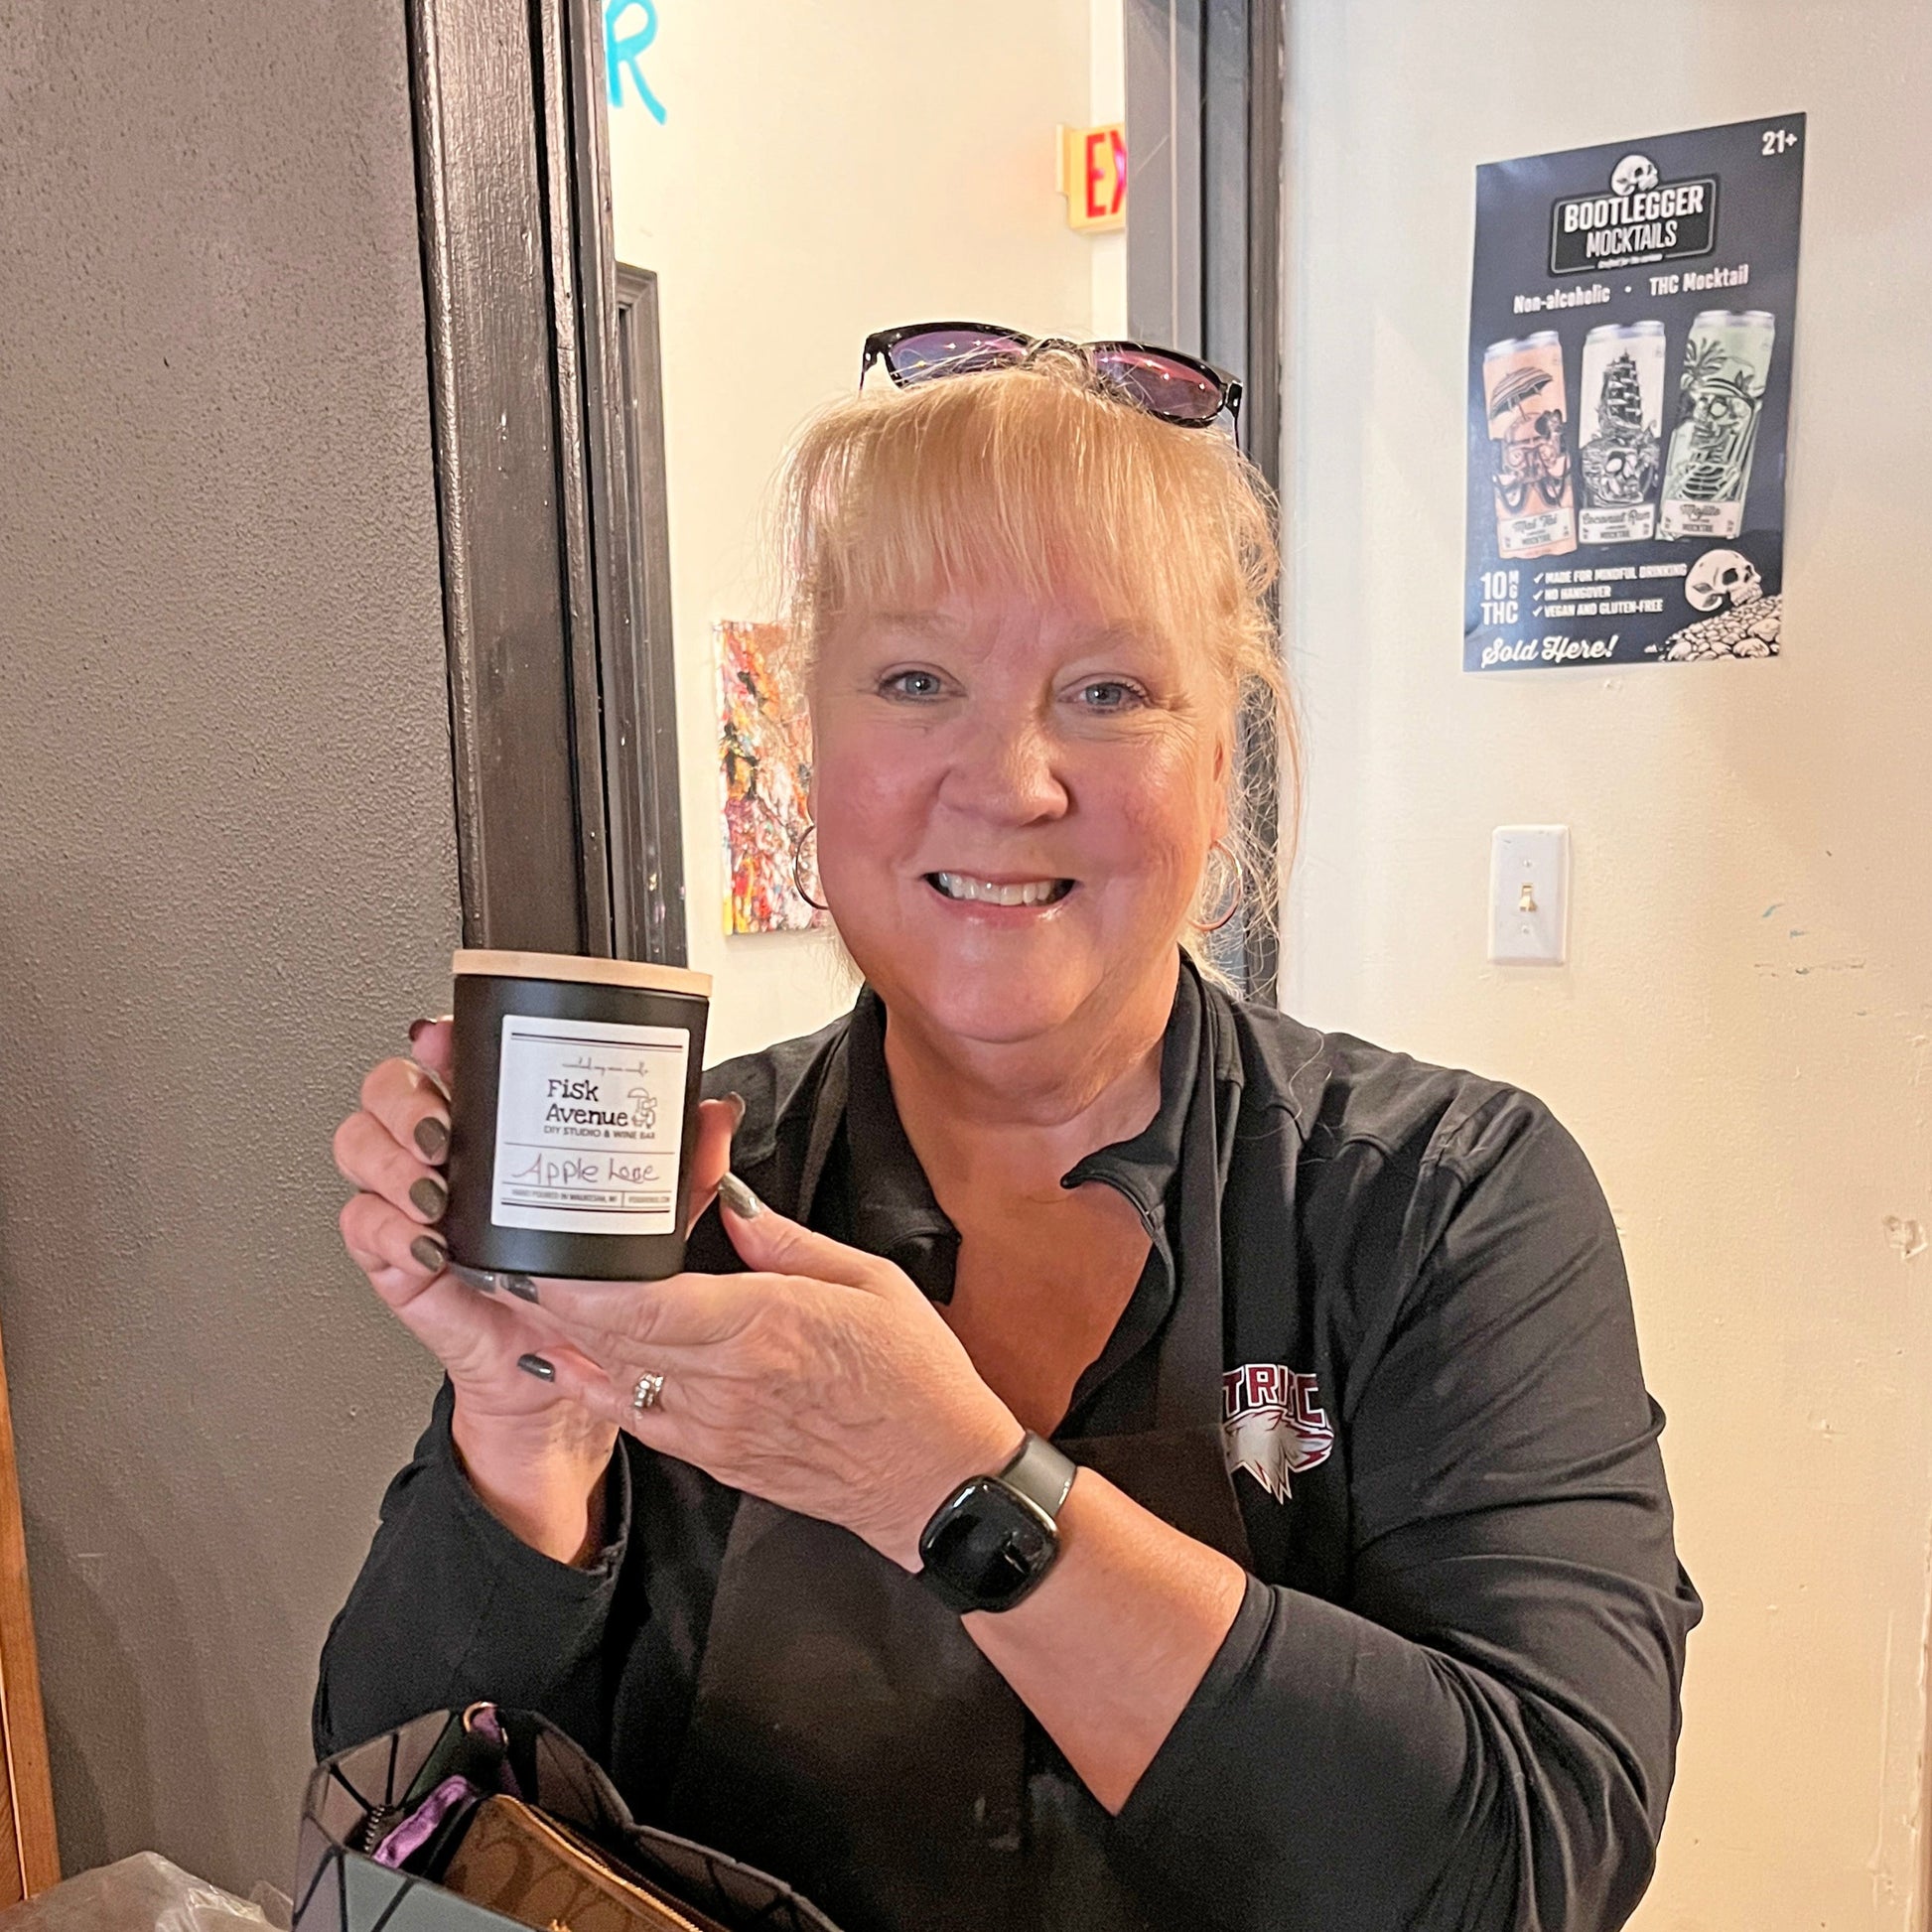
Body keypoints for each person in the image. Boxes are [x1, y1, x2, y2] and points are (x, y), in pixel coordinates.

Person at [321, 330, 1700, 1932]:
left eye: (1106, 692)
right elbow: (395, 1809)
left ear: (1214, 756)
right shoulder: (675, 1185)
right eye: (917, 682)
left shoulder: (1445, 1204)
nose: (1010, 776)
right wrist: (521, 1427)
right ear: (809, 740)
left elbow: (1532, 1867)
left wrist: (949, 1481)